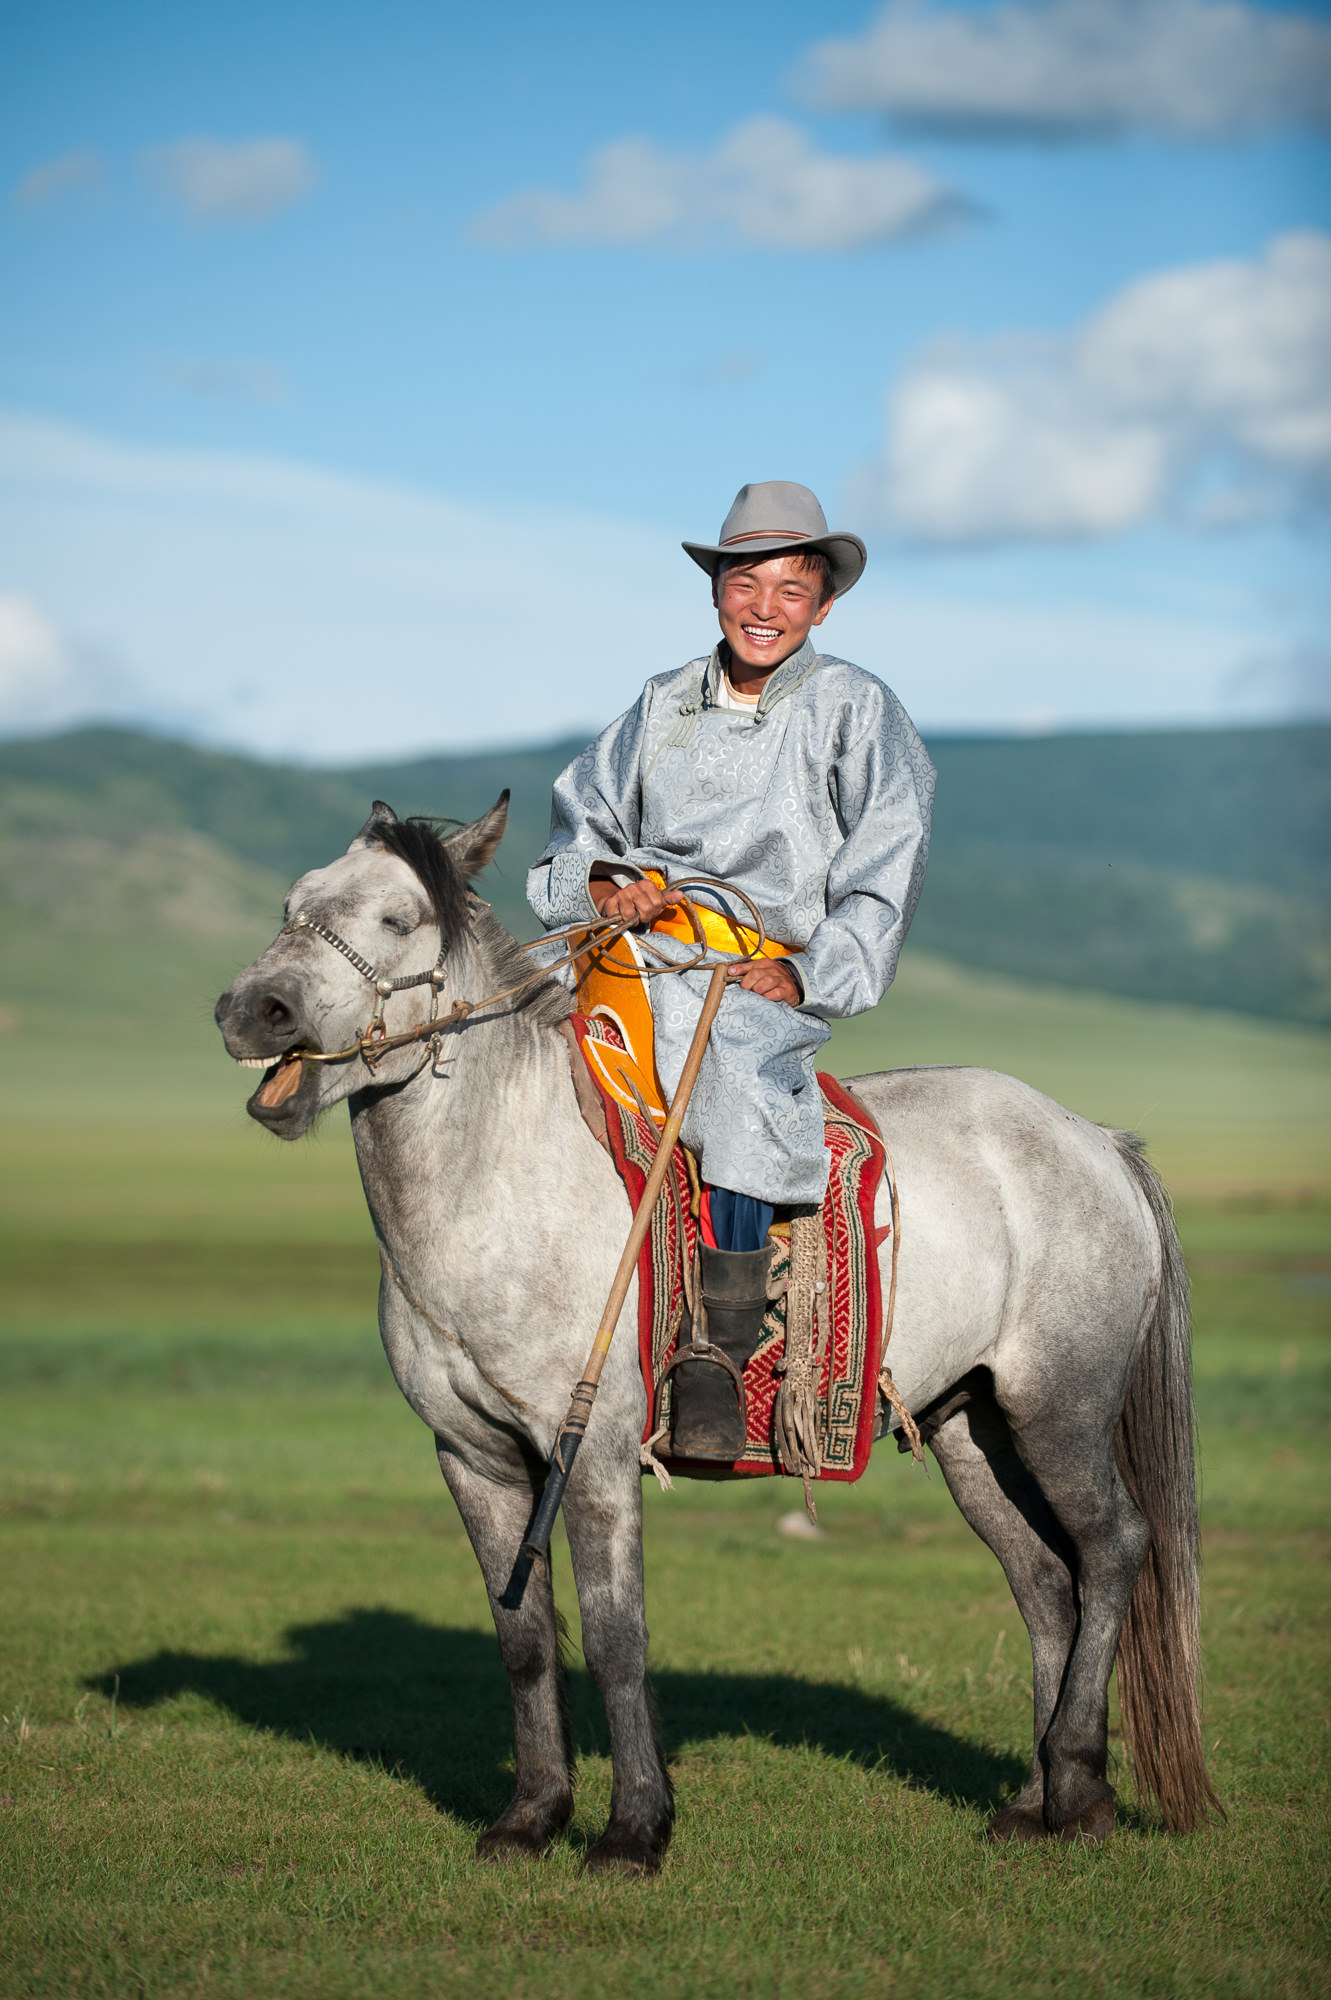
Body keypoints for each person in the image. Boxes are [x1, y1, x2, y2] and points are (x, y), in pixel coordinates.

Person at [527, 480, 935, 1343]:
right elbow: (582, 824)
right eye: (745, 581)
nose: (764, 607)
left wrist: (804, 973)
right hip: (634, 943)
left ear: (822, 606)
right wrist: (604, 886)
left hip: (752, 965)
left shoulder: (856, 709)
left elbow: (884, 864)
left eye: (792, 588)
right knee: (499, 1007)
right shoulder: (660, 701)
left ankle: (724, 1336)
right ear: (715, 588)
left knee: (739, 1073)